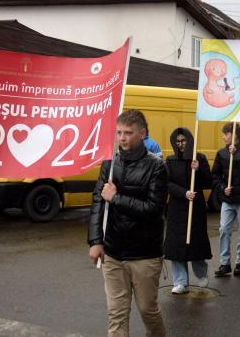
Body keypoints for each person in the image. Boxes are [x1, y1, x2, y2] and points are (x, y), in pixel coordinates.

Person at [88, 109, 167, 336]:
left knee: (147, 310)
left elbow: (153, 209)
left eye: (128, 133)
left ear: (142, 133)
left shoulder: (157, 167)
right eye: (119, 132)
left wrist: (116, 198)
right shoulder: (109, 165)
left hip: (145, 254)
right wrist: (95, 240)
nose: (121, 138)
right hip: (113, 253)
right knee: (116, 314)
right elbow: (97, 204)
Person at [163, 127, 213, 294]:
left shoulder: (199, 158)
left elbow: (209, 182)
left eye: (183, 141)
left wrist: (198, 170)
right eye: (177, 142)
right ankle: (180, 282)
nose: (181, 144)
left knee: (195, 243)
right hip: (177, 208)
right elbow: (167, 183)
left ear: (190, 141)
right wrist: (183, 193)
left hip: (195, 208)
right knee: (176, 246)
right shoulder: (170, 160)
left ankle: (201, 273)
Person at [212, 122, 240, 277]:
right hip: (228, 199)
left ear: (234, 134)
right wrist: (222, 187)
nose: (223, 137)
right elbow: (215, 176)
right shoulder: (221, 153)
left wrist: (236, 154)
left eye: (226, 134)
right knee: (224, 229)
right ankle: (225, 263)